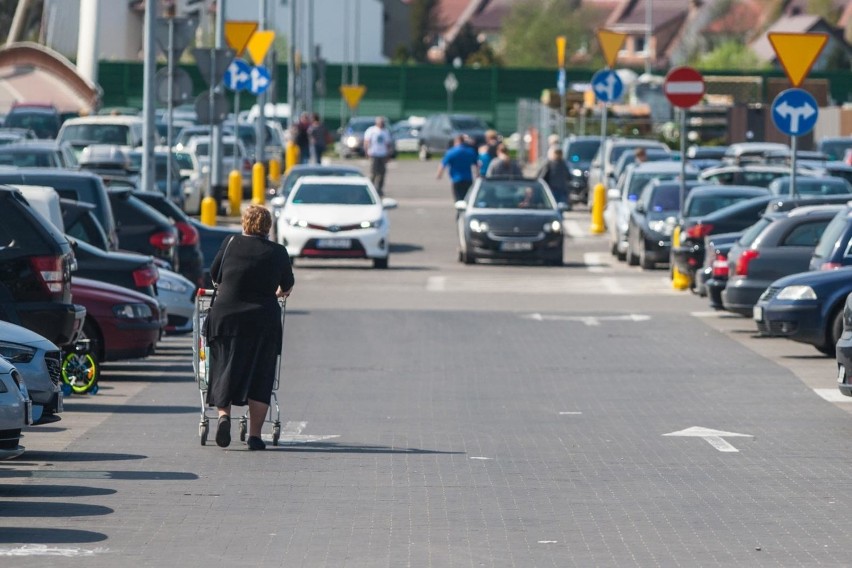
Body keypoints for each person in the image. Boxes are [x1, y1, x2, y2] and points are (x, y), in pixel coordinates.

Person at [205, 205, 294, 451]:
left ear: (245, 224)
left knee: (224, 367)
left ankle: (223, 416)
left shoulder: (231, 243)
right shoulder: (278, 252)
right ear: (268, 227)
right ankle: (255, 436)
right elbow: (287, 285)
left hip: (225, 318)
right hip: (262, 321)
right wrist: (275, 292)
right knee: (261, 375)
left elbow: (215, 274)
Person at [437, 135, 478, 201]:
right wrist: (478, 174)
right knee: (467, 198)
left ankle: (459, 210)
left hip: (457, 179)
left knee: (458, 198)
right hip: (468, 178)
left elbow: (443, 164)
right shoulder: (471, 151)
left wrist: (439, 175)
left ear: (457, 141)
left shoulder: (451, 152)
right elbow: (477, 164)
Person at [363, 117, 393, 196]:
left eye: (383, 122)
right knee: (373, 172)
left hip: (382, 154)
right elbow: (366, 142)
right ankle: (371, 189)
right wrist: (366, 152)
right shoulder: (371, 130)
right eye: (381, 122)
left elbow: (388, 144)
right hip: (374, 153)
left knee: (382, 173)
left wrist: (388, 154)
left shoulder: (385, 131)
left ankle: (379, 189)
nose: (382, 124)